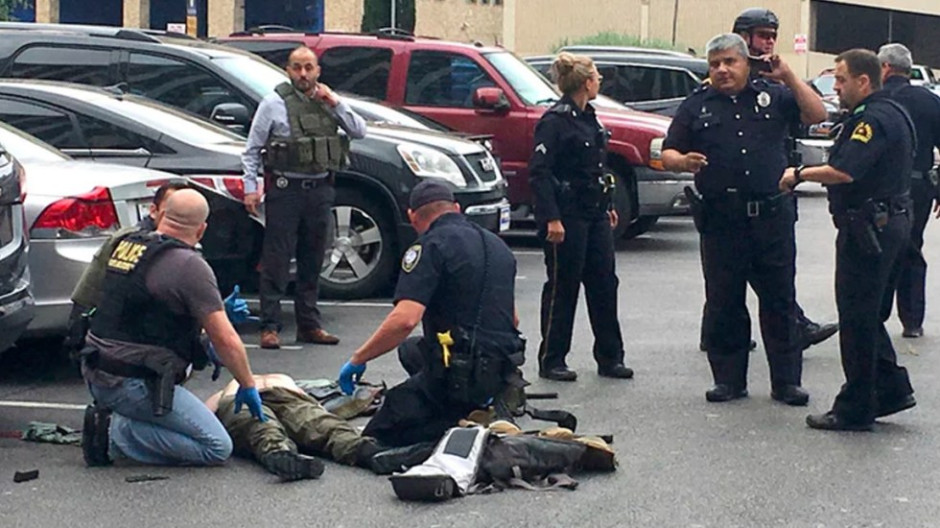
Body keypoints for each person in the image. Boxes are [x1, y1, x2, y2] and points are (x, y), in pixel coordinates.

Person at [662, 34, 827, 405]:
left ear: (745, 63)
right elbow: (668, 151)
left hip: (771, 216)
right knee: (724, 301)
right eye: (715, 63)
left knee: (779, 300)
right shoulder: (697, 106)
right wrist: (681, 161)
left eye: (729, 62)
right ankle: (729, 380)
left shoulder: (774, 95)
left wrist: (790, 78)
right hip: (722, 219)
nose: (722, 70)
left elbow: (817, 115)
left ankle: (786, 382)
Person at [780, 49, 917, 431]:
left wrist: (799, 173)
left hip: (869, 228)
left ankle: (854, 407)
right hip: (889, 222)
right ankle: (890, 388)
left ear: (864, 80)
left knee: (856, 318)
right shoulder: (893, 111)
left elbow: (843, 171)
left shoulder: (871, 120)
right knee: (868, 314)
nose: (836, 87)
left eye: (841, 80)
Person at [80, 189, 266, 466]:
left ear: (162, 215)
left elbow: (144, 312)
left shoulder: (128, 245)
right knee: (215, 446)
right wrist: (247, 384)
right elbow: (225, 339)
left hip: (96, 368)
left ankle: (123, 417)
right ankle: (112, 433)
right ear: (202, 230)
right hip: (133, 382)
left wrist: (216, 310)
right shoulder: (190, 265)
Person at [337, 181, 525, 447]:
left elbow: (405, 320)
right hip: (503, 369)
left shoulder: (430, 246)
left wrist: (359, 358)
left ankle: (457, 423)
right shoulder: (498, 246)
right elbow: (513, 319)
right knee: (411, 350)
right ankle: (487, 405)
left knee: (380, 431)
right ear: (457, 208)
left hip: (462, 373)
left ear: (412, 216)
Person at [718, 7, 840, 352]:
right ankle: (732, 334)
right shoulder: (724, 79)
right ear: (743, 37)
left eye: (772, 35)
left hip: (774, 193)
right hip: (731, 197)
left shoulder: (779, 78)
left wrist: (789, 78)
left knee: (773, 274)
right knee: (730, 278)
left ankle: (792, 327)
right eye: (762, 35)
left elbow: (817, 114)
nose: (769, 41)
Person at [242, 45, 367, 349]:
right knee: (277, 260)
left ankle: (309, 325)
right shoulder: (273, 103)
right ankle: (270, 327)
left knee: (313, 259)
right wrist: (251, 188)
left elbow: (359, 130)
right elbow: (252, 150)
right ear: (288, 70)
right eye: (297, 67)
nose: (303, 74)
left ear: (318, 71)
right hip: (285, 190)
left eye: (308, 67)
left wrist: (334, 102)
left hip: (320, 189)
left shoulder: (328, 101)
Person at [528, 52, 634, 382]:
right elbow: (540, 174)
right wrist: (551, 219)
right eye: (597, 77)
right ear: (587, 82)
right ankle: (553, 358)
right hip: (568, 215)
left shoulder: (591, 117)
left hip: (595, 212)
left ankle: (610, 357)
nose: (600, 81)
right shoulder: (555, 121)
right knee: (564, 286)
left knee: (604, 284)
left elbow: (595, 168)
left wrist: (608, 205)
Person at [204, 374, 380, 481]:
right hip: (238, 398)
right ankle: (280, 455)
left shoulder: (286, 381)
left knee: (319, 423)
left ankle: (365, 450)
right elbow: (205, 415)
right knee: (262, 426)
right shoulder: (228, 387)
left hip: (287, 396)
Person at [878, 43, 940, 339]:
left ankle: (875, 313)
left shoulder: (875, 100)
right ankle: (912, 320)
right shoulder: (929, 100)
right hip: (919, 187)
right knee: (911, 246)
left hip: (880, 188)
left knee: (876, 248)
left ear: (886, 68)